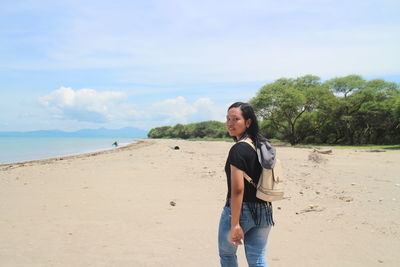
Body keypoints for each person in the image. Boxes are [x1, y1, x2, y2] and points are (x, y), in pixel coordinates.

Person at [218, 102, 274, 267]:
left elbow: (237, 190)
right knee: (257, 260)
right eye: (228, 119)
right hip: (264, 209)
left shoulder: (238, 149)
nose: (230, 123)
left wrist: (235, 223)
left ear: (248, 122)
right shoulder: (262, 145)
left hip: (241, 211)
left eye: (236, 119)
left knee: (227, 255)